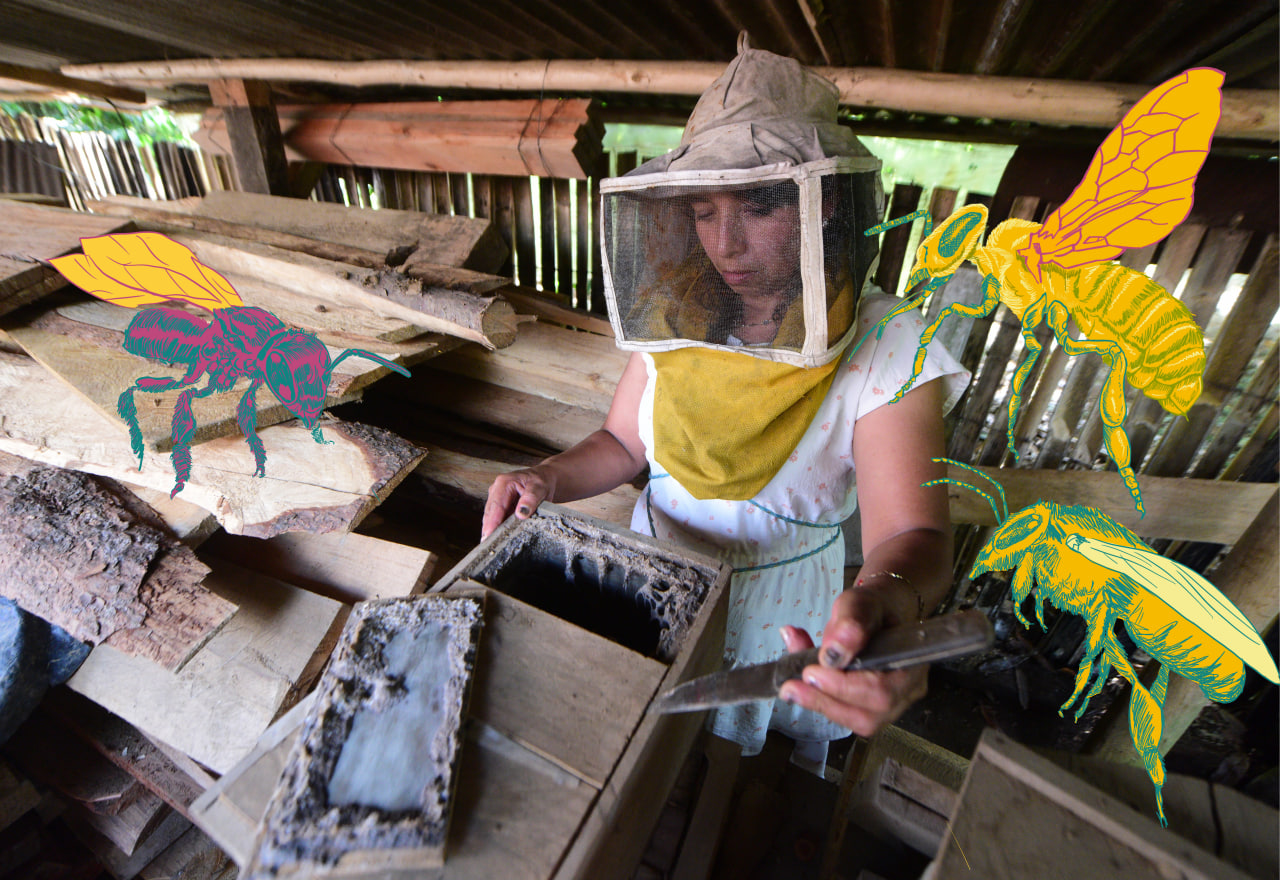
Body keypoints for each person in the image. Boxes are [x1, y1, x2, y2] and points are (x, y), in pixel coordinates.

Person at [483, 38, 969, 769]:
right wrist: (546, 477)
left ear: (825, 197)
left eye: (760, 204)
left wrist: (886, 608)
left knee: (746, 772)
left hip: (780, 620)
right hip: (654, 578)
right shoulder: (676, 315)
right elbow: (622, 444)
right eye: (705, 211)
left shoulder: (886, 342)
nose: (727, 244)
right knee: (646, 757)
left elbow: (917, 540)